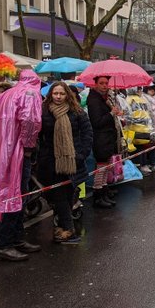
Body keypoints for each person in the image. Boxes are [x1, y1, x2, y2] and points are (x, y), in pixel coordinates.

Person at [0, 70, 42, 261]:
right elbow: (31, 120)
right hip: (17, 151)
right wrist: (29, 146)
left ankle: (15, 238)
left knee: (12, 193)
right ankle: (5, 242)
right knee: (16, 194)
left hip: (2, 150)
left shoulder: (5, 94)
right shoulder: (30, 93)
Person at [38, 82, 93, 244]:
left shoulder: (77, 111)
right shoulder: (44, 111)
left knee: (67, 195)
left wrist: (81, 154)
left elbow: (87, 133)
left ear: (67, 95)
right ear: (50, 95)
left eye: (61, 94)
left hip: (72, 162)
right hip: (50, 162)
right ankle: (67, 229)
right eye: (55, 93)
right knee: (59, 196)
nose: (58, 97)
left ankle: (65, 229)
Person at [87, 76, 120, 208]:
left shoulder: (104, 98)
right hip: (100, 138)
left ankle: (104, 192)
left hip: (107, 138)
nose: (105, 86)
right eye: (101, 83)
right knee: (101, 168)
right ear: (95, 84)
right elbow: (97, 122)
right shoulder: (94, 100)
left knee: (106, 166)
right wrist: (111, 113)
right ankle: (98, 195)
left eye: (106, 83)